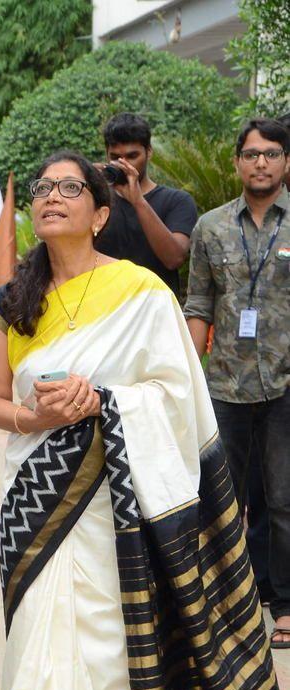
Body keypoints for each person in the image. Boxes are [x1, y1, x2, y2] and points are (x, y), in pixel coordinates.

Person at [0, 150, 288, 690]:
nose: (51, 198)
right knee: (37, 651)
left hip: (121, 504)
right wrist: (38, 416)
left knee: (112, 648)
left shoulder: (142, 293)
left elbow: (179, 394)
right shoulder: (7, 303)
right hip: (39, 498)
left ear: (101, 212)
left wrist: (105, 402)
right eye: (42, 188)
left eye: (70, 188)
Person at [184, 118, 290, 649]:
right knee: (219, 495)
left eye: (271, 153)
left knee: (284, 497)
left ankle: (286, 605)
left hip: (286, 385)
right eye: (251, 154)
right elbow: (200, 302)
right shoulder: (210, 227)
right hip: (225, 383)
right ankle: (226, 601)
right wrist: (188, 375)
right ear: (237, 162)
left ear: (286, 162)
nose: (261, 163)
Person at [94, 113, 197, 298]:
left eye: (132, 156)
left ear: (149, 151)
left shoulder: (177, 201)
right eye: (116, 157)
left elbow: (174, 258)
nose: (124, 164)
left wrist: (138, 200)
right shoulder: (97, 201)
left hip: (155, 312)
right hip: (104, 308)